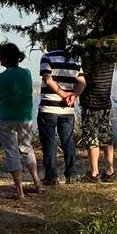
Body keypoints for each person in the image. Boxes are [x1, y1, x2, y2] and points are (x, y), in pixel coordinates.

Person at [0, 42, 39, 199]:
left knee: (11, 151)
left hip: (4, 117)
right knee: (27, 148)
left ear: (4, 58)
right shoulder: (27, 73)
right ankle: (37, 182)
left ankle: (20, 191)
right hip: (24, 116)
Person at [36, 41, 83, 186]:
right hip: (67, 109)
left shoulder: (47, 57)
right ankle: (71, 175)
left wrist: (63, 94)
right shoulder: (74, 60)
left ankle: (51, 176)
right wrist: (73, 96)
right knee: (68, 142)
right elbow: (82, 82)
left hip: (49, 108)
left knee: (49, 143)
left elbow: (47, 79)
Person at [79, 46, 117, 181]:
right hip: (105, 103)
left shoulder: (89, 58)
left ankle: (94, 172)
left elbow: (85, 78)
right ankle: (110, 170)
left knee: (92, 138)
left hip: (90, 103)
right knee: (106, 137)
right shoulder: (110, 57)